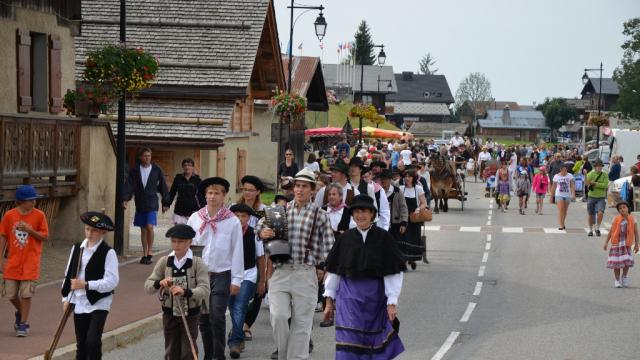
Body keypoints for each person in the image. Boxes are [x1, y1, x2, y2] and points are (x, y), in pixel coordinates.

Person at [256, 168, 335, 360]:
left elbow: (330, 246)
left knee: (302, 324)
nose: (299, 190)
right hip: (280, 272)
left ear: (312, 190)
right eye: (297, 186)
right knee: (279, 317)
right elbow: (259, 226)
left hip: (305, 273)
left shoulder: (320, 215)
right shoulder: (279, 211)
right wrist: (262, 232)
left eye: (304, 186)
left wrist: (323, 268)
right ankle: (284, 355)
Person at [323, 195, 406, 359]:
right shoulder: (345, 238)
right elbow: (334, 271)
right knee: (348, 343)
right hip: (348, 300)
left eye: (364, 211)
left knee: (373, 345)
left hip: (375, 300)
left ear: (372, 215)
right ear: (352, 215)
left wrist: (392, 302)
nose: (360, 215)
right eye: (356, 212)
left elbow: (393, 272)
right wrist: (328, 300)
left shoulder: (384, 238)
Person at [187, 177, 244, 360]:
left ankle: (219, 355)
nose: (212, 197)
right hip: (201, 276)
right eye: (210, 193)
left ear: (224, 196)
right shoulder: (195, 218)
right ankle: (208, 355)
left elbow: (237, 251)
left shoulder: (232, 221)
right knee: (203, 318)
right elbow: (187, 246)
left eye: (217, 193)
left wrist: (237, 279)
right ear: (205, 195)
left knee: (217, 316)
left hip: (222, 275)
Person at [144, 224, 210, 360]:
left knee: (188, 352)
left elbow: (205, 289)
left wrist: (186, 291)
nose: (176, 245)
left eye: (180, 241)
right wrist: (159, 283)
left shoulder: (198, 263)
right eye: (174, 241)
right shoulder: (164, 261)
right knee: (171, 351)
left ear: (190, 242)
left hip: (190, 315)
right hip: (169, 315)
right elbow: (148, 286)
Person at [61, 211, 119, 359]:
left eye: (94, 230)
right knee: (81, 343)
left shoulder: (108, 252)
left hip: (99, 301)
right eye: (87, 229)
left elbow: (112, 282)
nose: (89, 233)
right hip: (79, 300)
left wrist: (87, 285)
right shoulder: (77, 248)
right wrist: (66, 298)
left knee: (92, 341)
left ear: (103, 232)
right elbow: (69, 275)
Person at [0, 185, 49, 337]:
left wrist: (30, 231)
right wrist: (1, 258)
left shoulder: (39, 215)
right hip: (13, 262)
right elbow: (3, 236)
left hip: (31, 262)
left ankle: (23, 323)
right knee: (11, 294)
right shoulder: (9, 215)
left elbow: (45, 236)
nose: (34, 202)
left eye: (34, 199)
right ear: (21, 201)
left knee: (26, 294)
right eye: (30, 200)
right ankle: (21, 313)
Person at [227, 204, 266, 358]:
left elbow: (261, 258)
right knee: (232, 306)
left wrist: (262, 281)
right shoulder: (227, 233)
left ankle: (235, 341)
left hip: (248, 274)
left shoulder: (254, 234)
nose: (240, 219)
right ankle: (238, 336)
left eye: (243, 216)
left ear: (249, 218)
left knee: (240, 306)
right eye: (237, 215)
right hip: (229, 275)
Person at [124, 147, 170, 265]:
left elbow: (163, 187)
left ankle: (150, 252)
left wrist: (165, 202)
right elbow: (129, 186)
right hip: (140, 203)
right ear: (140, 157)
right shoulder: (134, 171)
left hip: (152, 203)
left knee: (149, 226)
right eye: (145, 156)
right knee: (143, 229)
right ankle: (144, 254)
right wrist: (125, 199)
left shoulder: (156, 170)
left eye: (149, 156)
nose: (147, 158)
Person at [604, 201, 639, 288]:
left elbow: (636, 233)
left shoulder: (632, 219)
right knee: (617, 263)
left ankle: (624, 277)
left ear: (628, 208)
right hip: (617, 244)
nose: (622, 209)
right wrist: (606, 242)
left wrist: (637, 244)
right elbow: (611, 231)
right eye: (620, 208)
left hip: (626, 244)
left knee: (626, 262)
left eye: (624, 207)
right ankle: (617, 280)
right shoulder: (616, 219)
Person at [398, 169, 427, 270]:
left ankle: (412, 258)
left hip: (414, 218)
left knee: (413, 238)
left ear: (413, 178)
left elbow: (424, 203)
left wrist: (418, 209)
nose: (407, 178)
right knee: (403, 238)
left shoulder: (418, 189)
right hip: (404, 217)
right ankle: (404, 260)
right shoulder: (401, 188)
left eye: (409, 176)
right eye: (405, 176)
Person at [165, 158, 204, 225]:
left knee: (193, 233)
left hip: (193, 211)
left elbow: (201, 195)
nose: (187, 167)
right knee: (179, 233)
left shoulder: (197, 180)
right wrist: (167, 204)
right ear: (183, 167)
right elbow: (172, 192)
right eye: (185, 165)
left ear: (193, 167)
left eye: (189, 165)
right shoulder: (178, 179)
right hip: (179, 211)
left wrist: (203, 207)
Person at [379, 169, 408, 243]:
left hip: (395, 224)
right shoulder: (378, 192)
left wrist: (403, 223)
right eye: (382, 179)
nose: (383, 181)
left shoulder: (397, 191)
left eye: (386, 179)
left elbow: (403, 208)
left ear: (390, 180)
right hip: (381, 224)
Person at [585, 159, 609, 237]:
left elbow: (605, 185)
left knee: (600, 212)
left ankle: (597, 227)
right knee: (590, 214)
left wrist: (596, 184)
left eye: (601, 166)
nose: (599, 168)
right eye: (598, 166)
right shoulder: (590, 174)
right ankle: (590, 230)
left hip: (601, 197)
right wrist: (585, 175)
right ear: (595, 167)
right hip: (591, 196)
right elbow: (586, 184)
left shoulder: (604, 174)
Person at [550, 163, 575, 230]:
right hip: (559, 194)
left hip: (567, 195)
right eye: (563, 170)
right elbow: (554, 187)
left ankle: (563, 222)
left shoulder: (570, 176)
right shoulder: (556, 176)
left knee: (565, 210)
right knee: (561, 210)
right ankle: (561, 225)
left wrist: (573, 194)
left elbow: (572, 185)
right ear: (560, 170)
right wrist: (551, 197)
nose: (564, 172)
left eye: (566, 170)